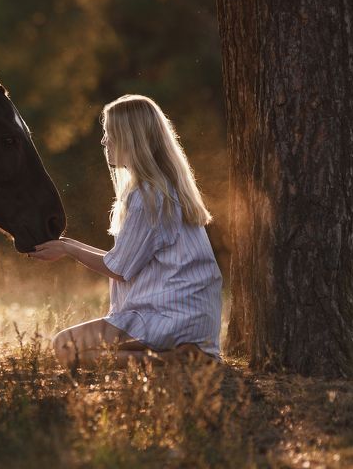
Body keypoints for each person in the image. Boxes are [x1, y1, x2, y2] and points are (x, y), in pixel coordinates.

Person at [29, 95, 222, 369]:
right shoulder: (163, 189)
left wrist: (69, 249)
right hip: (190, 317)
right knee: (79, 351)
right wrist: (67, 243)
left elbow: (119, 268)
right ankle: (176, 358)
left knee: (64, 346)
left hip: (168, 317)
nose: (104, 141)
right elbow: (123, 260)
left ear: (131, 139)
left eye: (110, 134)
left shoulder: (148, 197)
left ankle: (170, 361)